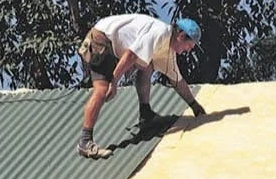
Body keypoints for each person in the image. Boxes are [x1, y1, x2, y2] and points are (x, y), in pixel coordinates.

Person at [76, 14, 207, 159]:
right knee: (102, 89)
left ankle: (146, 115)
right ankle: (85, 141)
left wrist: (195, 106)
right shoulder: (160, 32)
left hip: (111, 45)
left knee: (147, 64)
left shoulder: (167, 52)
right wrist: (114, 82)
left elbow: (177, 81)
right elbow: (130, 55)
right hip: (101, 38)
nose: (188, 50)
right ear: (181, 36)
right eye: (189, 46)